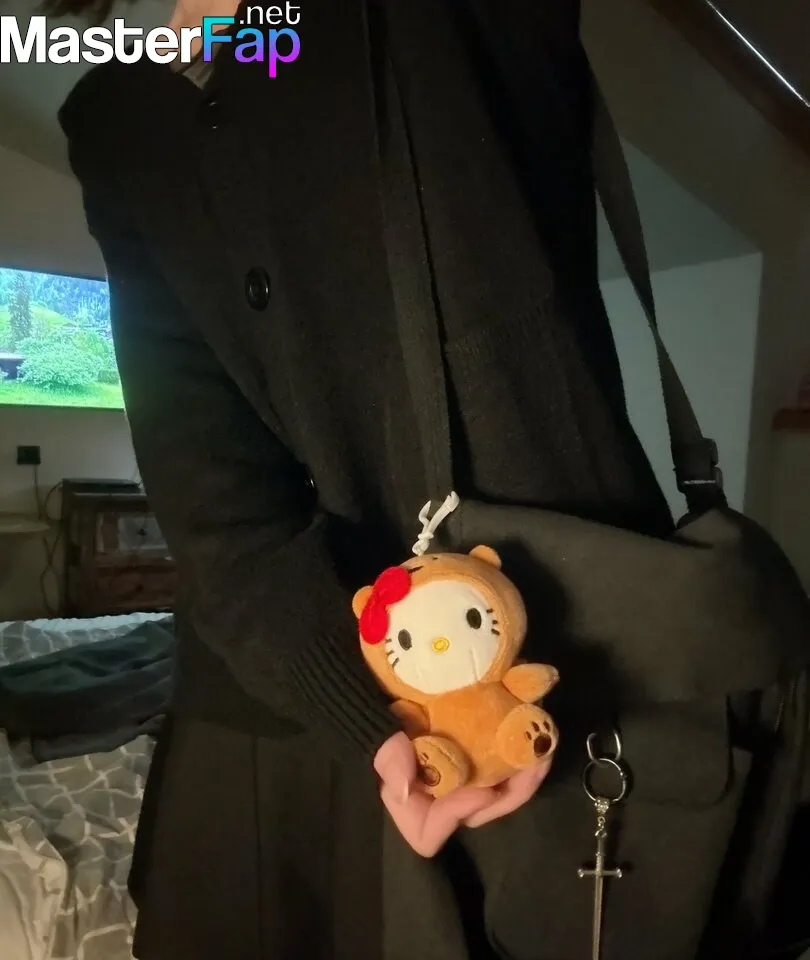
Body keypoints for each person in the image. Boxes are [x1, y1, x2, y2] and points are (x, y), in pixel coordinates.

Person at [53, 0, 674, 956]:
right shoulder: (118, 113)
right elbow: (207, 487)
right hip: (271, 713)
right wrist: (372, 725)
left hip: (547, 685)